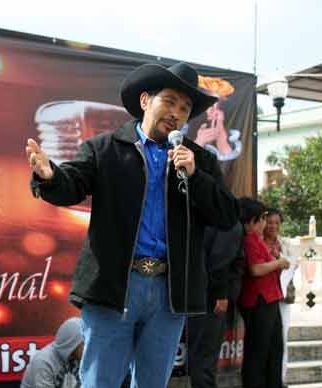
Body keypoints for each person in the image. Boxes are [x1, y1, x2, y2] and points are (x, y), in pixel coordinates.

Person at [26, 62, 239, 388]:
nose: (177, 113)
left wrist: (195, 177)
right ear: (144, 101)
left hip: (170, 292)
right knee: (101, 381)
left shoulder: (200, 160)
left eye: (185, 108)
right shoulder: (105, 148)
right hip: (115, 287)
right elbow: (73, 183)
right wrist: (50, 176)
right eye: (169, 101)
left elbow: (226, 215)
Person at [238, 198, 289, 388]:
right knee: (258, 351)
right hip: (258, 300)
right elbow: (256, 269)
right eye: (263, 220)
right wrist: (279, 263)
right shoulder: (249, 240)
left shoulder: (258, 241)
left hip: (270, 297)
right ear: (253, 221)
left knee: (275, 348)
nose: (265, 225)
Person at [187, 221, 245, 388]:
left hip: (197, 293)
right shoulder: (227, 223)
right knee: (204, 356)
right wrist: (221, 293)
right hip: (209, 298)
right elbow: (220, 261)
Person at [263, 208, 295, 385]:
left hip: (282, 297)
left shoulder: (285, 243)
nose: (273, 226)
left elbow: (291, 264)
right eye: (269, 222)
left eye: (277, 223)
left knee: (282, 337)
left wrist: (279, 257)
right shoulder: (258, 242)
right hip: (263, 296)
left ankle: (281, 377)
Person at [21, 317, 83, 388]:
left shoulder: (77, 358)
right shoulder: (43, 362)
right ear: (72, 343)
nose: (88, 348)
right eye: (84, 343)